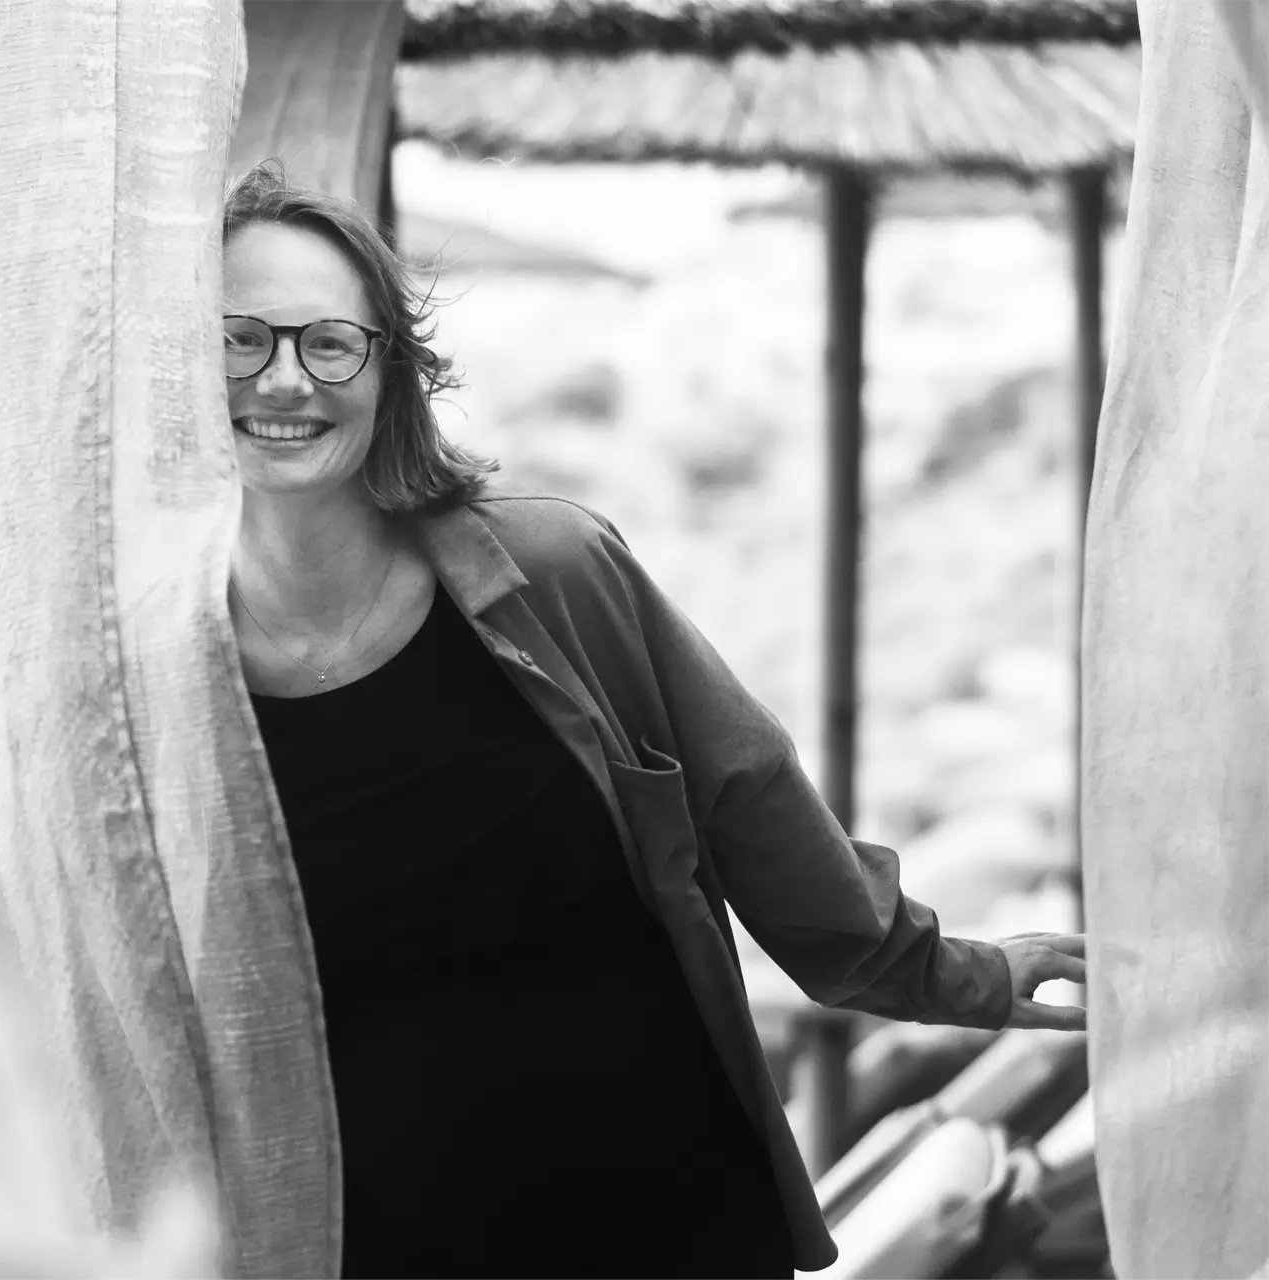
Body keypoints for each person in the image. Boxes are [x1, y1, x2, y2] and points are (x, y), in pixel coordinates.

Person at [221, 160, 1086, 1279]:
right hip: (369, 1244)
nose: (285, 377)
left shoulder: (553, 573)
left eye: (330, 341)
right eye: (239, 339)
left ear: (390, 369)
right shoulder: (160, 681)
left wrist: (955, 973)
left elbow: (751, 800)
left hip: (669, 1218)